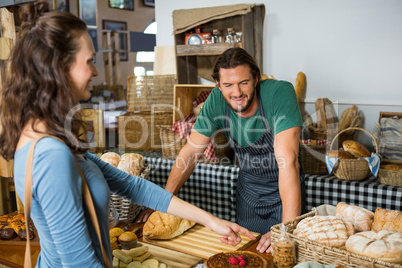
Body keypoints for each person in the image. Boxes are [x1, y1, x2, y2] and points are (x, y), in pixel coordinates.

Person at [0, 2, 255, 267]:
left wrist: (211, 221)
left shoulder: (48, 138)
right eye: (89, 61)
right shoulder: (51, 155)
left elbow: (132, 186)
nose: (96, 71)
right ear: (58, 70)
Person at [137, 47, 306, 253]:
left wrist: (285, 229)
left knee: (283, 254)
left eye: (243, 83)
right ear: (218, 85)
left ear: (256, 78)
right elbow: (190, 153)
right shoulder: (216, 101)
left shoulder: (280, 93)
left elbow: (287, 160)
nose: (237, 93)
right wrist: (161, 201)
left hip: (285, 193)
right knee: (249, 254)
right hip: (249, 194)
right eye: (228, 85)